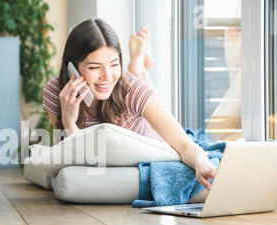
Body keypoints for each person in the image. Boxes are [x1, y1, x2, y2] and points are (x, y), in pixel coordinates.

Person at [42, 18, 217, 190]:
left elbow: (184, 144)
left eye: (114, 64)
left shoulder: (132, 89)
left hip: (156, 143)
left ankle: (138, 67)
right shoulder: (56, 93)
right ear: (71, 67)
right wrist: (69, 124)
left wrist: (201, 162)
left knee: (164, 126)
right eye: (94, 67)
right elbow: (69, 163)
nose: (108, 76)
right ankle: (138, 66)